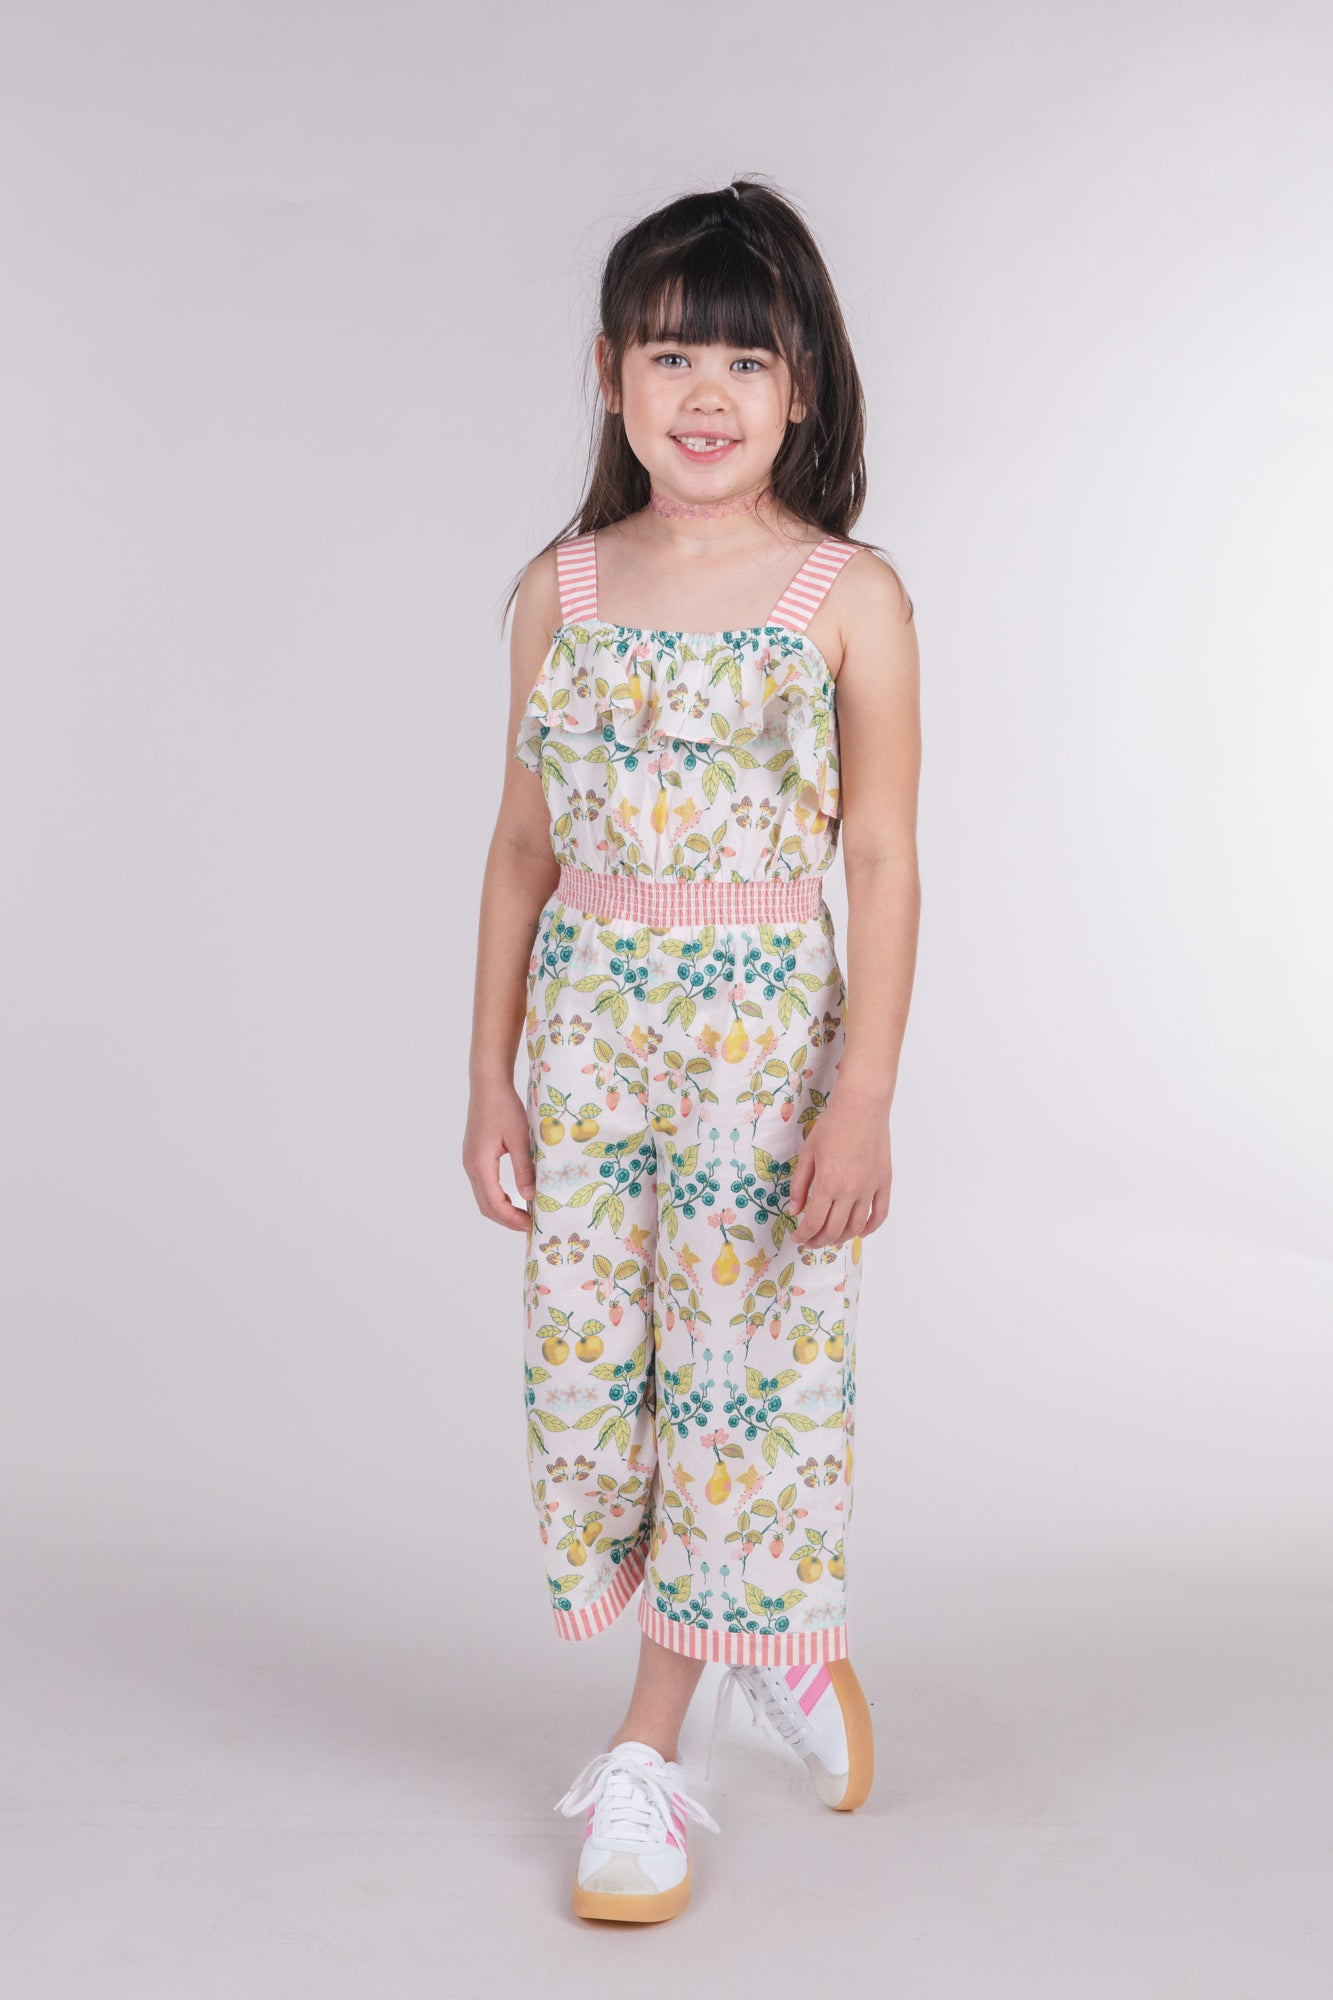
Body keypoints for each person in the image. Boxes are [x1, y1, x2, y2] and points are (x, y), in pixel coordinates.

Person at [463, 176, 921, 1923]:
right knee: (600, 1375)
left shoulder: (844, 597)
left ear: (802, 386)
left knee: (733, 1373)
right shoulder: (561, 590)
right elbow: (520, 845)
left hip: (756, 1048)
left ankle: (650, 1752)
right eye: (669, 354)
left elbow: (880, 860)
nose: (705, 391)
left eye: (744, 357)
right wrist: (490, 1075)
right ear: (609, 374)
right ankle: (771, 1634)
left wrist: (861, 1093)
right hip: (590, 1041)